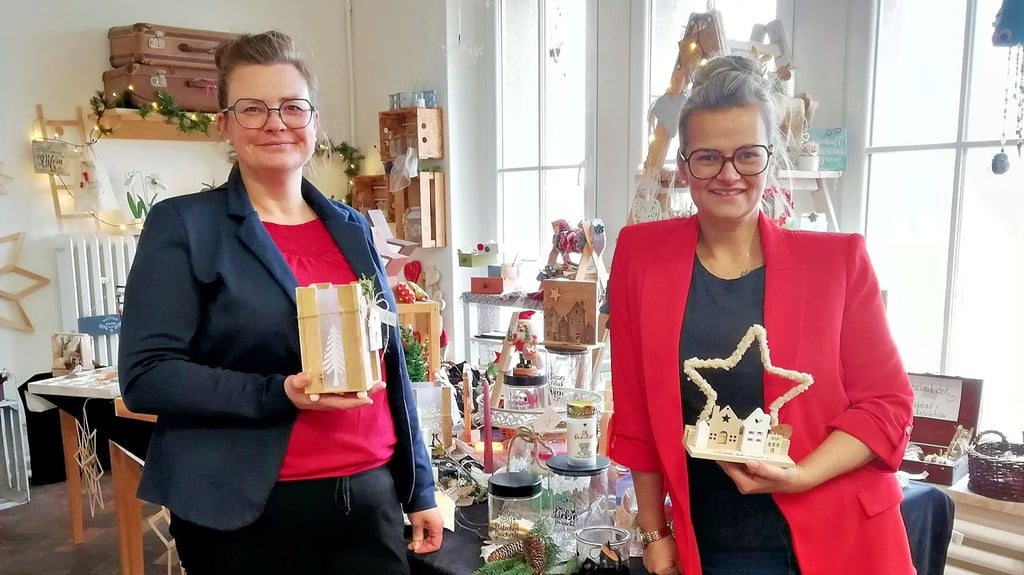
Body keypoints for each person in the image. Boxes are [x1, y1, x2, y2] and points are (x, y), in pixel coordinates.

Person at [118, 30, 442, 575]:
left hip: (368, 501)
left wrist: (421, 487)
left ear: (314, 120)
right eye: (252, 108)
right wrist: (279, 393)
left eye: (293, 106)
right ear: (224, 123)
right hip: (247, 513)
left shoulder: (352, 226)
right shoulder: (186, 225)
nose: (276, 122)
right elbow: (147, 376)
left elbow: (390, 363)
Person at [607, 54, 915, 575]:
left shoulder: (838, 263)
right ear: (684, 165)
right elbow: (636, 411)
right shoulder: (640, 256)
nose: (729, 175)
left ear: (771, 159)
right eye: (707, 157)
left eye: (747, 155)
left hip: (838, 538)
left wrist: (803, 474)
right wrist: (653, 529)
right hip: (707, 540)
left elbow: (888, 406)